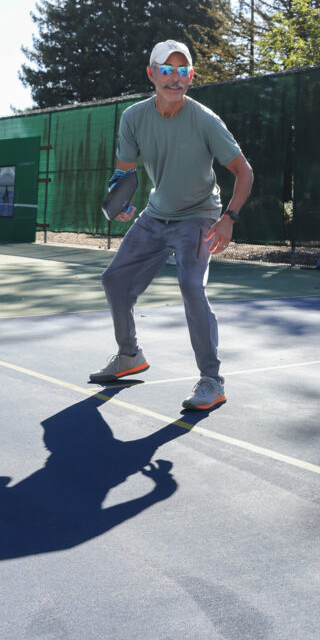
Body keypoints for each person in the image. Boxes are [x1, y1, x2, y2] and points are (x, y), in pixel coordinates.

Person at [89, 40, 253, 411]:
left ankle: (211, 379)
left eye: (182, 71)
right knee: (114, 280)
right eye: (167, 69)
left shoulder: (206, 121)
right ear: (151, 73)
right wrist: (120, 199)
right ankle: (129, 355)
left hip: (198, 216)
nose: (174, 78)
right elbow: (124, 171)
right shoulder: (133, 117)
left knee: (191, 285)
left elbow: (244, 171)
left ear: (191, 77)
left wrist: (229, 218)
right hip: (154, 215)